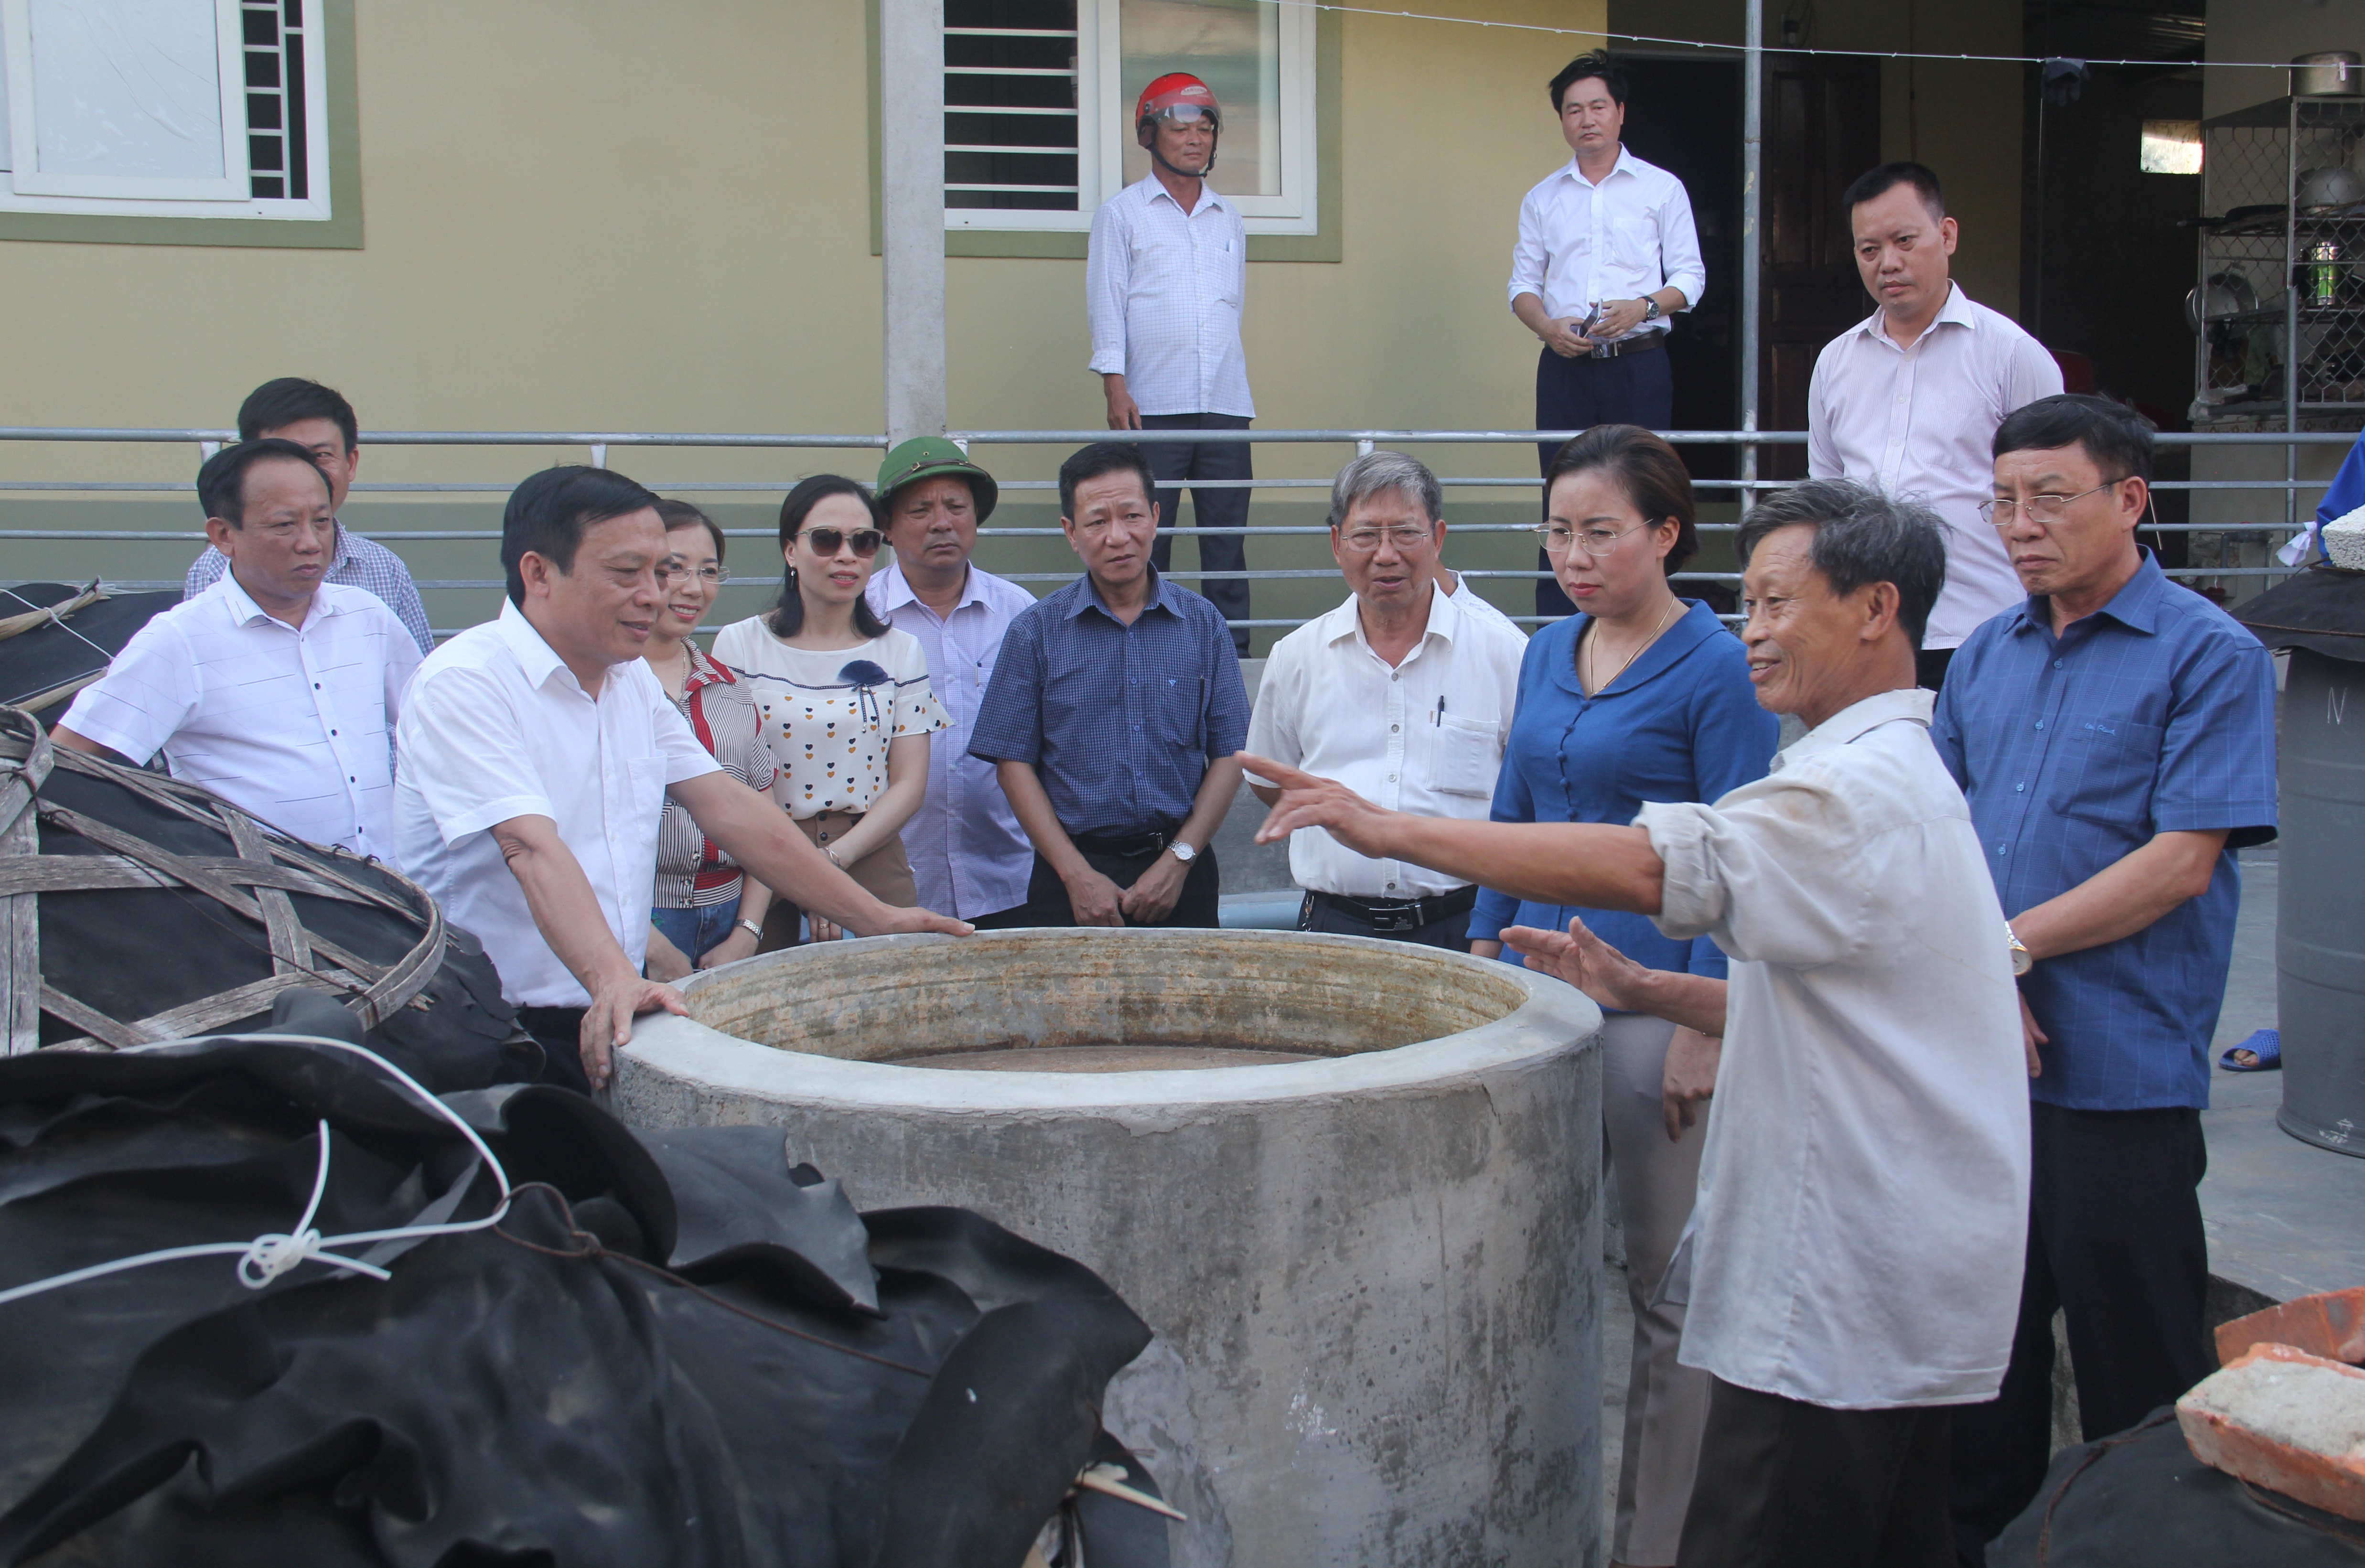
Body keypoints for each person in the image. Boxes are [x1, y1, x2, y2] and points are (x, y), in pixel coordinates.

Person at [1245, 478, 2030, 1568]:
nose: (1752, 633)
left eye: (1776, 603)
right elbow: (1848, 1008)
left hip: (1839, 1300)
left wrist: (1390, 827)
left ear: (1874, 608)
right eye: (1746, 604)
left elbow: (1655, 859)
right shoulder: (1868, 771)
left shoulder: (1851, 795)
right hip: (1895, 1289)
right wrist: (1657, 989)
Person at [1935, 396, 2279, 1563]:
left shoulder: (2207, 652)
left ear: (2130, 499)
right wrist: (1987, 973)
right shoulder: (1988, 649)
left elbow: (2180, 862)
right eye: (2003, 502)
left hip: (2118, 1076)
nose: (2020, 525)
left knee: (2140, 1365)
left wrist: (2004, 953)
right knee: (1985, 1364)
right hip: (1987, 1064)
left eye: (2048, 498)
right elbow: (1938, 838)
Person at [393, 465, 968, 1095]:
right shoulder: (465, 682)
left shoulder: (626, 679)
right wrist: (614, 976)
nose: (655, 594)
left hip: (606, 1006)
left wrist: (876, 918)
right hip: (493, 1021)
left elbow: (729, 806)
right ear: (538, 573)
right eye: (626, 573)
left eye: (659, 571)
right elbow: (528, 846)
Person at [1462, 426, 1778, 1568]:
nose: (1576, 554)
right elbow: (1511, 815)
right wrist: (1484, 953)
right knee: (1525, 1262)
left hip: (1658, 1014)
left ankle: (1659, 1542)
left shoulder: (1722, 666)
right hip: (1541, 1004)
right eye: (1559, 531)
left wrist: (1706, 1013)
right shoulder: (1550, 648)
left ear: (1667, 534)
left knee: (1668, 1287)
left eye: (1602, 530)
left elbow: (1750, 849)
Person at [55, 439, 419, 858]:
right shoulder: (181, 639)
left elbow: (431, 723)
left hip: (391, 893)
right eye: (285, 525)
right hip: (261, 905)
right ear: (224, 535)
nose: (311, 543)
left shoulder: (367, 617)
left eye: (322, 522)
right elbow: (69, 756)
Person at [1244, 451, 1528, 950]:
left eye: (1405, 533)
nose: (1386, 554)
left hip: (1467, 925)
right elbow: (1272, 780)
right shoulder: (1296, 657)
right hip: (1336, 928)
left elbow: (1530, 801)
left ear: (1437, 539)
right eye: (1366, 535)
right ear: (1337, 543)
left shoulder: (1505, 653)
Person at [970, 441, 1249, 928]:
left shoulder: (1204, 625)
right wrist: (1076, 876)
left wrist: (1179, 860)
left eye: (1132, 516)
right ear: (1071, 533)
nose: (1118, 536)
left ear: (1156, 516)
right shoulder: (1035, 632)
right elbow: (1013, 764)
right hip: (1070, 873)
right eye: (1098, 521)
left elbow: (1231, 753)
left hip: (1183, 869)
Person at [1807, 162, 2063, 690]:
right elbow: (1827, 500)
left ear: (1946, 235)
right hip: (1868, 630)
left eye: (1905, 240)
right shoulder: (1835, 363)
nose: (1888, 264)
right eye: (1869, 250)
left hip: (1986, 630)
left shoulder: (2012, 355)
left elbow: (2054, 495)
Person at [712, 476, 948, 949]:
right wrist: (799, 868)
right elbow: (733, 777)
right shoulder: (740, 645)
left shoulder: (901, 651)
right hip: (762, 856)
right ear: (790, 551)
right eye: (826, 540)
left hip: (869, 849)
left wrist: (829, 865)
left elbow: (909, 784)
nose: (847, 556)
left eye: (864, 543)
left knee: (894, 1003)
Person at [1509, 51, 1705, 622]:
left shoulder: (1661, 189)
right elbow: (1522, 286)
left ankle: (1651, 616)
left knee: (1645, 488)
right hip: (1565, 367)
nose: (1586, 119)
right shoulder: (1543, 198)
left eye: (1598, 106)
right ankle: (1559, 626)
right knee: (1562, 490)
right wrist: (1548, 327)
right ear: (1563, 120)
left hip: (1639, 364)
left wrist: (1642, 306)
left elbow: (1691, 278)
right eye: (1574, 110)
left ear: (1620, 112)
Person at [1087, 71, 1256, 655]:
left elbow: (1231, 304)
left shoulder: (1227, 218)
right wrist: (1115, 384)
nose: (1196, 138)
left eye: (1206, 127)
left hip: (1227, 405)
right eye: (1180, 126)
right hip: (1151, 405)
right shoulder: (1122, 215)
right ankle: (1140, 653)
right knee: (1146, 542)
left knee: (1226, 544)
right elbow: (1107, 302)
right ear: (1149, 135)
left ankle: (1231, 660)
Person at [865, 438, 1039, 926]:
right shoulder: (862, 615)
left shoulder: (1019, 613)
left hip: (1008, 880)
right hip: (887, 886)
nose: (941, 522)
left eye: (956, 507)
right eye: (919, 509)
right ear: (888, 528)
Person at [185, 378, 433, 655]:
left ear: (350, 463)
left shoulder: (385, 570)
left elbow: (415, 683)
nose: (306, 474)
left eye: (322, 455)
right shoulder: (213, 570)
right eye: (285, 456)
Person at [639, 499, 775, 980]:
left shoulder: (732, 688)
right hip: (637, 922)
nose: (693, 588)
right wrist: (651, 945)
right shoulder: (604, 685)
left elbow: (765, 819)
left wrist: (747, 932)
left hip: (728, 917)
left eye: (709, 571)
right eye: (672, 569)